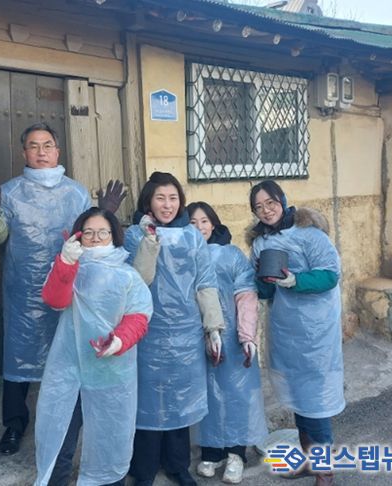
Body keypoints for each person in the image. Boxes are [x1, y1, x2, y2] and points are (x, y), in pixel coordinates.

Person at [0, 122, 127, 455]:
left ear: (58, 151)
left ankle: (67, 420)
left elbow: (89, 235)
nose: (41, 152)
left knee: (69, 353)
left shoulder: (76, 192)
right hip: (23, 290)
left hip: (68, 285)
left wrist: (105, 214)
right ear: (23, 152)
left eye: (47, 145)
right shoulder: (10, 191)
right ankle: (15, 424)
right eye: (33, 146)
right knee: (19, 356)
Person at [34, 207, 153, 486]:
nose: (96, 238)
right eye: (88, 232)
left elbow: (139, 315)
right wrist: (65, 263)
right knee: (59, 436)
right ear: (78, 236)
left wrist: (119, 340)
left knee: (109, 442)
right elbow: (55, 300)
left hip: (110, 372)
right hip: (68, 370)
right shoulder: (68, 266)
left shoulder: (127, 275)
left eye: (102, 232)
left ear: (114, 235)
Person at [123, 172, 225, 486]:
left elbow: (205, 282)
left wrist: (213, 327)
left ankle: (178, 466)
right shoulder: (134, 235)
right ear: (148, 202)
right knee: (148, 402)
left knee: (181, 400)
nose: (167, 205)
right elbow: (139, 280)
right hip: (147, 330)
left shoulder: (192, 237)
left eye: (173, 198)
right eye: (160, 198)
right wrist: (149, 240)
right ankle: (143, 470)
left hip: (185, 331)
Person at [247, 180, 344, 486]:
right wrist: (261, 278)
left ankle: (325, 472)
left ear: (283, 200)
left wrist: (296, 281)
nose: (266, 210)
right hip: (286, 330)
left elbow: (330, 275)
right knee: (300, 399)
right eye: (259, 207)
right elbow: (264, 290)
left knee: (316, 403)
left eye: (270, 203)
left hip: (316, 332)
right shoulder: (260, 243)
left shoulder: (310, 235)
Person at [188, 202, 268, 484]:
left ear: (214, 223)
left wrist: (246, 336)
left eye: (204, 221)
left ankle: (236, 453)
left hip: (233, 337)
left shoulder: (231, 255)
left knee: (237, 394)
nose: (200, 228)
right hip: (197, 336)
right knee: (207, 394)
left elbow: (246, 295)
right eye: (193, 223)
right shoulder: (184, 255)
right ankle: (212, 451)